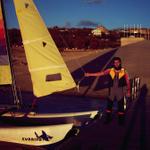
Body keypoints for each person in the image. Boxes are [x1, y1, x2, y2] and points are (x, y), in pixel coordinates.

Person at [85, 57, 130, 125]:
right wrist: (89, 74)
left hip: (120, 91)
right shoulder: (110, 70)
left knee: (120, 107)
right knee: (109, 106)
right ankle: (108, 119)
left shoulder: (124, 71)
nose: (116, 64)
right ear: (113, 63)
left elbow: (127, 82)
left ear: (120, 63)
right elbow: (100, 73)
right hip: (111, 90)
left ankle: (121, 121)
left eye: (117, 62)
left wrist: (128, 91)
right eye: (115, 62)